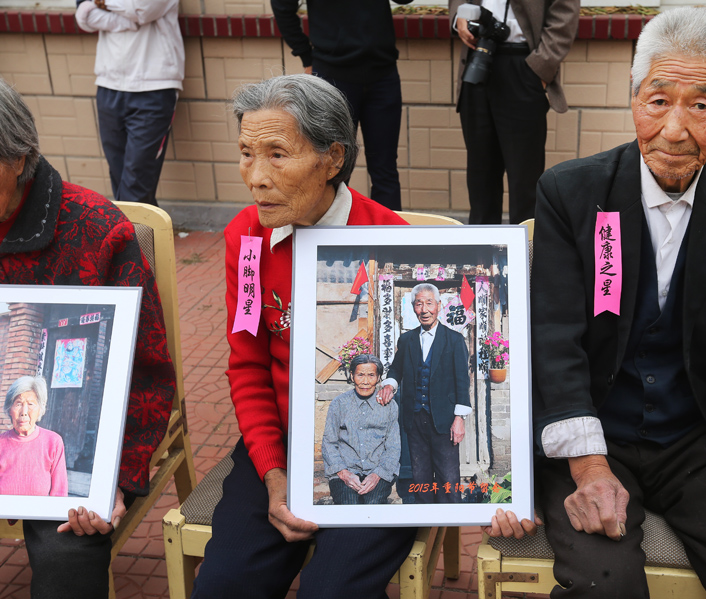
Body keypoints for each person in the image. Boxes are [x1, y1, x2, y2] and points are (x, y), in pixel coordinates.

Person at [505, 7, 706, 598]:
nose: (674, 130)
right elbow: (553, 335)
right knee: (606, 584)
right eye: (657, 100)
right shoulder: (570, 192)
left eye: (701, 105)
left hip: (693, 443)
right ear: (633, 96)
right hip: (593, 432)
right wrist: (588, 466)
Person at [191, 74, 416, 599]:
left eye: (277, 155)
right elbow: (248, 365)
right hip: (282, 439)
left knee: (332, 590)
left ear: (332, 158)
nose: (256, 178)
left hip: (372, 447)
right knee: (224, 586)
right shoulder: (248, 238)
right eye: (246, 154)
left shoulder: (391, 242)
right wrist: (275, 473)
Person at [0, 76, 175, 598]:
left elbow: (147, 369)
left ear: (18, 158)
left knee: (66, 557)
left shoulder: (95, 229)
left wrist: (113, 478)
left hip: (68, 468)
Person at [271, 0, 413, 211]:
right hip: (333, 77)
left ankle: (388, 232)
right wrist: (305, 54)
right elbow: (282, 7)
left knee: (385, 169)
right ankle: (332, 232)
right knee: (333, 169)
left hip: (383, 73)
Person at [450, 0, 579, 224]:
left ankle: (527, 246)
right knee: (480, 180)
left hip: (524, 63)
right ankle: (482, 247)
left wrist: (540, 67)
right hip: (477, 56)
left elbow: (564, 11)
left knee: (525, 182)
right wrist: (459, 16)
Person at [75, 0, 184, 206]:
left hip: (154, 88)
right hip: (108, 85)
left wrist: (102, 2)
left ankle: (131, 227)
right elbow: (84, 15)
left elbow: (142, 9)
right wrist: (126, 20)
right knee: (120, 177)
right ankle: (142, 226)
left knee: (136, 182)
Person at [377, 283, 471, 504]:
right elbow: (396, 369)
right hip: (415, 419)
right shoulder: (407, 340)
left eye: (429, 303)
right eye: (419, 304)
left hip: (445, 420)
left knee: (448, 479)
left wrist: (459, 418)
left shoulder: (454, 340)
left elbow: (462, 380)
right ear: (413, 308)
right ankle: (424, 520)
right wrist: (389, 385)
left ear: (439, 306)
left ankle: (450, 521)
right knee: (421, 478)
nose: (424, 309)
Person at [322, 354, 400, 505]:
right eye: (360, 375)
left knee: (373, 504)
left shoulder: (389, 406)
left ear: (378, 377)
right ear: (352, 376)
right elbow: (329, 443)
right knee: (348, 504)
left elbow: (393, 447)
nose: (365, 381)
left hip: (377, 471)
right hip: (345, 470)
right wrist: (344, 473)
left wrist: (377, 475)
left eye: (371, 375)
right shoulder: (339, 404)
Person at [0, 376, 68, 497]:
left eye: (31, 404)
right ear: (9, 409)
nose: (24, 412)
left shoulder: (53, 442)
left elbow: (60, 494)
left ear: (40, 409)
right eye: (18, 404)